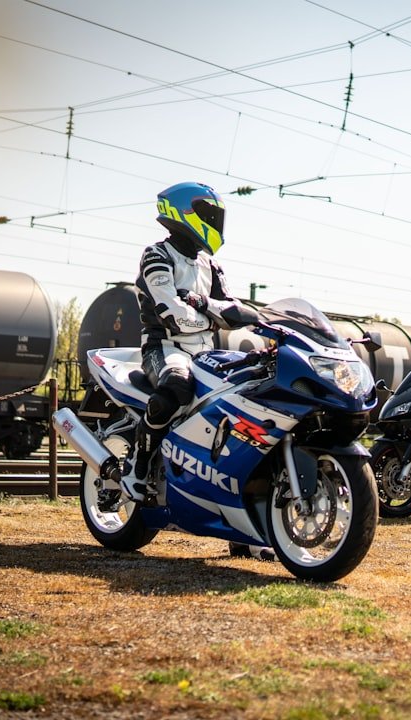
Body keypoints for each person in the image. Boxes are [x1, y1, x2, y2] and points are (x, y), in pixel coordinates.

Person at [118, 181, 273, 560]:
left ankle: (244, 532)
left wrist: (206, 306)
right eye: (209, 214)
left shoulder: (210, 265)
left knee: (245, 412)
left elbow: (232, 311)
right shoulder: (157, 254)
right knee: (177, 385)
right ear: (184, 212)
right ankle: (138, 466)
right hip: (164, 349)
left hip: (208, 354)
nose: (215, 222)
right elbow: (171, 311)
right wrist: (210, 313)